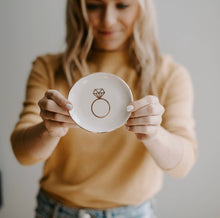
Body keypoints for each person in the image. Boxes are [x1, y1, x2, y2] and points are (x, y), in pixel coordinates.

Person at [10, 0, 198, 217]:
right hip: (55, 211)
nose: (108, 20)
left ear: (143, 9)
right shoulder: (48, 68)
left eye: (122, 5)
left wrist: (154, 134)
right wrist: (47, 130)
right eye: (93, 5)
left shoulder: (169, 75)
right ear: (77, 9)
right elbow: (22, 154)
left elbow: (183, 165)